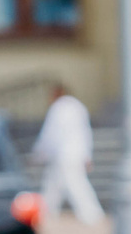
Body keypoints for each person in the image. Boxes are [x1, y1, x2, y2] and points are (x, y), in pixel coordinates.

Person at [31, 85, 102, 224]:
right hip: (76, 153)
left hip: (62, 154)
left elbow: (50, 133)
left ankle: (91, 214)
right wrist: (87, 155)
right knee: (53, 185)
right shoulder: (78, 107)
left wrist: (38, 153)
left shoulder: (58, 108)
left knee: (74, 185)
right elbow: (85, 133)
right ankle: (45, 213)